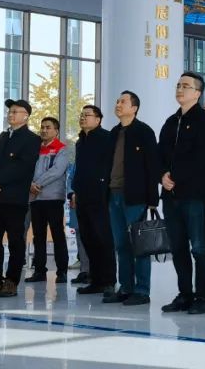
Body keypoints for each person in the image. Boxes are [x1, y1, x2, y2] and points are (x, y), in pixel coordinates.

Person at [159, 72, 205, 315]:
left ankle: (203, 297)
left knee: (199, 247)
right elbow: (159, 154)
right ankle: (184, 294)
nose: (180, 89)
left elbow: (204, 159)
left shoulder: (204, 120)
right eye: (178, 85)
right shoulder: (171, 121)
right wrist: (162, 175)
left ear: (197, 93)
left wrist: (175, 176)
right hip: (171, 195)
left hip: (195, 195)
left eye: (185, 86)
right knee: (178, 247)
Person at [0, 99, 41, 298]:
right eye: (10, 111)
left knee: (15, 241)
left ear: (25, 116)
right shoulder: (0, 138)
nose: (10, 114)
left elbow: (23, 166)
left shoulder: (31, 139)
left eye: (15, 111)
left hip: (14, 199)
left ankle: (11, 280)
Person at [102, 91, 160, 306]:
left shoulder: (144, 132)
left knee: (139, 245)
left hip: (135, 197)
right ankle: (125, 287)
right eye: (117, 101)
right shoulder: (113, 133)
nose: (118, 104)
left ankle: (142, 291)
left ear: (134, 108)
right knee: (121, 245)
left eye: (123, 102)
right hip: (114, 194)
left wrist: (152, 199)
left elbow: (152, 166)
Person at [71, 105, 117, 296]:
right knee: (88, 238)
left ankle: (108, 280)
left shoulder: (106, 138)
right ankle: (95, 279)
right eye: (81, 115)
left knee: (103, 238)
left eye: (87, 115)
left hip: (100, 195)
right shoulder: (80, 142)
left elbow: (110, 167)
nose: (83, 118)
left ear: (98, 119)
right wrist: (74, 191)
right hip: (82, 195)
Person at [24, 117, 72, 284]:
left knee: (57, 234)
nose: (44, 130)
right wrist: (29, 184)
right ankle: (39, 271)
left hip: (53, 198)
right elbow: (26, 169)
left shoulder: (61, 149)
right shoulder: (35, 149)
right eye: (42, 127)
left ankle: (62, 271)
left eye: (48, 127)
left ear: (56, 131)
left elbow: (57, 171)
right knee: (38, 236)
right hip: (35, 198)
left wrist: (37, 184)